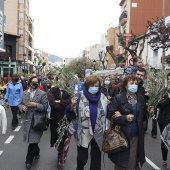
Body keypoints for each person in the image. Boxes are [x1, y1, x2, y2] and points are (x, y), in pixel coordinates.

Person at [65, 74, 108, 170]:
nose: (94, 88)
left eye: (96, 86)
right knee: (82, 158)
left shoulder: (103, 98)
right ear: (87, 86)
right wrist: (71, 106)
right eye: (92, 85)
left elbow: (108, 112)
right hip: (83, 132)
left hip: (98, 131)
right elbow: (70, 115)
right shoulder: (79, 96)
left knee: (96, 160)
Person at [107, 74, 146, 170]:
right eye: (131, 83)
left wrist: (143, 128)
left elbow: (144, 116)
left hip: (135, 135)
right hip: (121, 135)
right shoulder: (119, 98)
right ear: (126, 85)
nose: (134, 85)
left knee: (132, 160)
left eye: (136, 83)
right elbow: (110, 114)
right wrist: (124, 118)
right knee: (121, 162)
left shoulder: (140, 98)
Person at [18, 76, 48, 169]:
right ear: (29, 82)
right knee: (33, 141)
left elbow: (45, 107)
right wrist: (22, 108)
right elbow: (20, 103)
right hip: (27, 121)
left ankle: (28, 161)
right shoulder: (24, 93)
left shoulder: (42, 94)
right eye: (33, 81)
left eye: (36, 82)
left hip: (37, 121)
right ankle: (37, 151)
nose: (34, 83)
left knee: (33, 142)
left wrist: (35, 105)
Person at [48, 85, 71, 169]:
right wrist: (64, 103)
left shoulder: (69, 91)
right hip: (55, 119)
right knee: (57, 137)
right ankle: (59, 151)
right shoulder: (52, 91)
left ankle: (60, 157)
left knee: (63, 137)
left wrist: (59, 102)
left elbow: (70, 101)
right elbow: (53, 104)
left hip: (66, 118)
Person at [156, 73, 170, 170]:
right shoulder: (163, 91)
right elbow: (158, 104)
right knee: (165, 142)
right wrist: (169, 98)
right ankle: (164, 162)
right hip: (164, 120)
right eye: (168, 78)